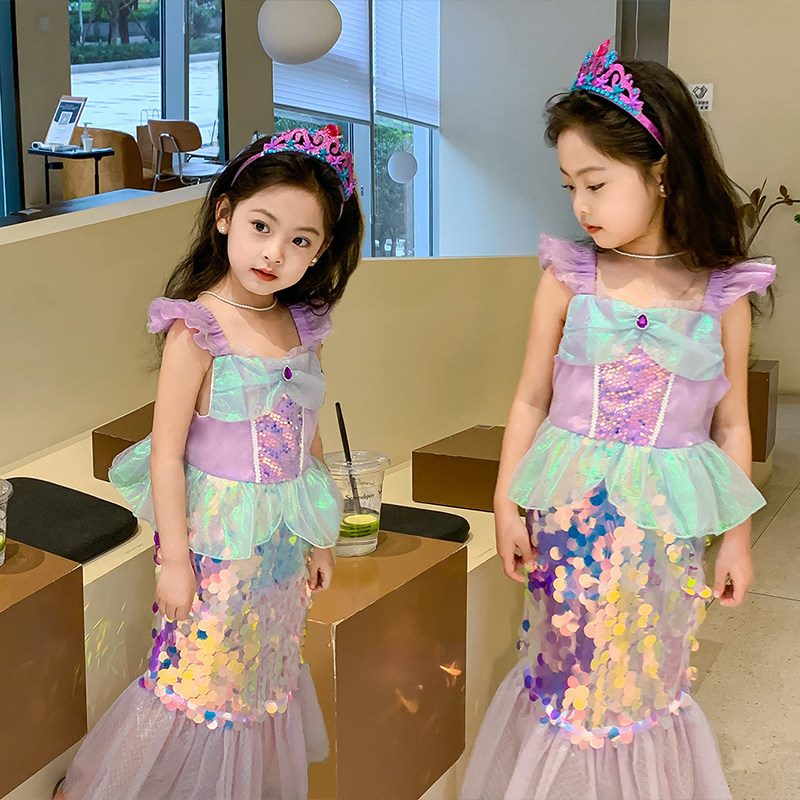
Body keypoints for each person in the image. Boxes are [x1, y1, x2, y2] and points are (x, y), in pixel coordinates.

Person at [460, 41, 775, 800]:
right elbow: (530, 398)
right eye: (570, 185)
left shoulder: (720, 293)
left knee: (643, 679)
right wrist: (505, 500)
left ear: (660, 170)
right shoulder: (570, 275)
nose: (581, 206)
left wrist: (736, 537)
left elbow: (732, 425)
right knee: (570, 676)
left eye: (596, 184)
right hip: (570, 518)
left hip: (665, 532)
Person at [57, 126, 364, 800]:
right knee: (200, 680)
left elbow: (307, 436)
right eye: (261, 226)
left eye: (301, 241)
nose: (275, 252)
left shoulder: (303, 325)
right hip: (217, 543)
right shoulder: (195, 327)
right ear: (225, 215)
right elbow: (166, 453)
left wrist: (321, 536)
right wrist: (174, 561)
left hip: (281, 545)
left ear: (321, 251)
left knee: (260, 675)